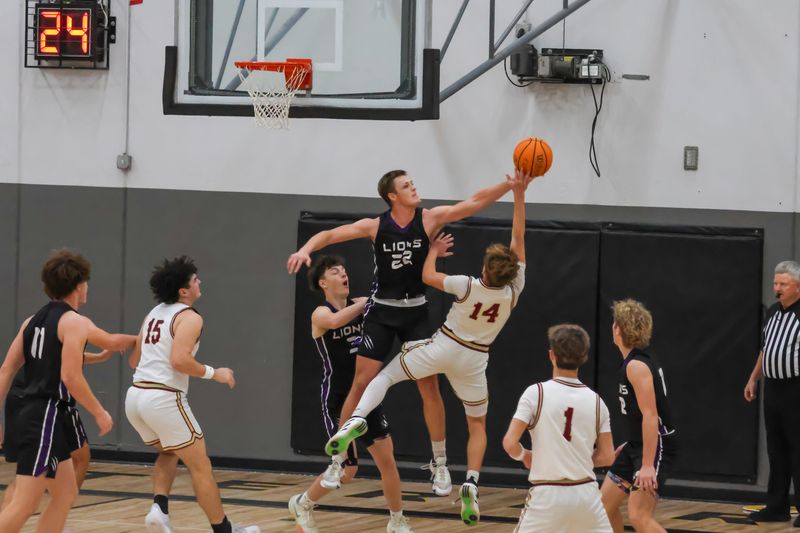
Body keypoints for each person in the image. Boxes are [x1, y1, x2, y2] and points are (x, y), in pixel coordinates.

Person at [288, 169, 521, 494]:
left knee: (429, 388)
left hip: (415, 314)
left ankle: (440, 464)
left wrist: (508, 187)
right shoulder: (375, 226)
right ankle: (338, 459)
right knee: (360, 381)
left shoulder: (429, 219)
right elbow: (331, 234)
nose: (414, 187)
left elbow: (472, 203)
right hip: (382, 311)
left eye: (413, 182)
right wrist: (306, 249)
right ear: (392, 196)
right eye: (406, 186)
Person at [0, 249, 135, 532]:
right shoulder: (74, 322)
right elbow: (71, 376)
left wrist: (138, 339)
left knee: (65, 495)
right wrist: (99, 412)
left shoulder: (31, 321)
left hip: (35, 415)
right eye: (86, 282)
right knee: (25, 503)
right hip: (44, 417)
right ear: (78, 285)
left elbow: (6, 370)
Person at [125, 256, 259, 533]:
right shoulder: (189, 317)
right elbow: (179, 360)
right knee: (201, 467)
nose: (200, 282)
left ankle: (159, 509)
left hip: (135, 397)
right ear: (183, 290)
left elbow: (134, 360)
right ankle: (224, 530)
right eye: (195, 279)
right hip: (162, 398)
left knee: (169, 451)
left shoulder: (153, 314)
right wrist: (215, 373)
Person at [288, 255, 411, 533]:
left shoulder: (359, 305)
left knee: (387, 462)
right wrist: (366, 303)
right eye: (335, 271)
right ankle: (304, 503)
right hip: (338, 398)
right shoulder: (321, 313)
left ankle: (397, 520)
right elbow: (334, 322)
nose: (344, 274)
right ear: (323, 282)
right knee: (348, 469)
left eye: (344, 270)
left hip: (367, 398)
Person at [503, 324, 615, 532]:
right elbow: (608, 456)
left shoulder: (535, 393)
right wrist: (575, 458)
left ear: (551, 355)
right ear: (584, 357)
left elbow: (510, 443)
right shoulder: (597, 402)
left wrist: (525, 455)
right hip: (586, 496)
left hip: (547, 496)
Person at [1, 348, 120, 509]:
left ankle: (49, 516)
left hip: (22, 397)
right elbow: (71, 369)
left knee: (30, 471)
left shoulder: (35, 326)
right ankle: (56, 517)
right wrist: (99, 412)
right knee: (71, 461)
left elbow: (67, 355)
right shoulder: (69, 325)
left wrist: (100, 356)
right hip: (48, 401)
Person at [600, 299, 677, 533]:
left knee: (639, 516)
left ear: (618, 329)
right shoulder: (635, 361)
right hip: (636, 444)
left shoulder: (637, 366)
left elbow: (651, 415)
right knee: (604, 507)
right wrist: (632, 442)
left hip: (655, 446)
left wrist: (647, 465)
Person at [744, 260, 800, 525]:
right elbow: (766, 349)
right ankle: (777, 507)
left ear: (798, 287)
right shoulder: (773, 313)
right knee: (776, 451)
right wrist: (754, 378)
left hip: (796, 388)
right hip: (774, 389)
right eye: (775, 283)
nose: (777, 288)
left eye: (783, 284)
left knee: (797, 449)